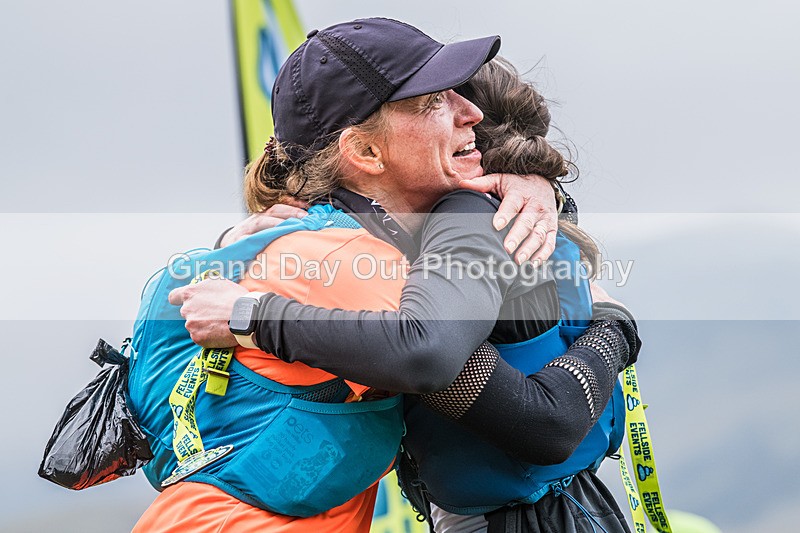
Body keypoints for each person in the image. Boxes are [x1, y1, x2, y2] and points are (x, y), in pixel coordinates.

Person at [173, 25, 638, 533]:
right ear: (366, 154)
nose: (468, 115)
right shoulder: (381, 270)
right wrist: (614, 327)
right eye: (435, 100)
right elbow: (544, 421)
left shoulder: (415, 236)